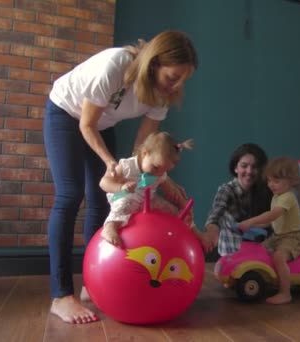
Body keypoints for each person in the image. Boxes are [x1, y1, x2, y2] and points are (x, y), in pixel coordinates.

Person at [43, 31, 198, 324]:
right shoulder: (116, 65)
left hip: (102, 125)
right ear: (154, 63)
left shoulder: (162, 96)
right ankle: (61, 295)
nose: (175, 85)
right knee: (70, 194)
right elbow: (86, 124)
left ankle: (95, 280)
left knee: (103, 201)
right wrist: (110, 163)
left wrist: (162, 179)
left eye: (182, 80)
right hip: (66, 113)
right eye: (171, 77)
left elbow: (144, 153)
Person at [100, 131, 194, 247]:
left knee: (173, 211)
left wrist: (184, 206)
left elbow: (173, 192)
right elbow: (103, 183)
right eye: (155, 167)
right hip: (125, 197)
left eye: (164, 171)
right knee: (124, 204)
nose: (158, 174)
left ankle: (188, 233)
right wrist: (121, 187)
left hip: (149, 201)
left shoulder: (160, 173)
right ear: (145, 153)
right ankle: (110, 227)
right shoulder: (127, 166)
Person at [237, 157, 300, 305]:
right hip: (278, 236)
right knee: (259, 251)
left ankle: (285, 293)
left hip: (293, 238)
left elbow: (273, 214)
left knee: (278, 257)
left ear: (290, 181)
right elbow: (271, 221)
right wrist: (254, 226)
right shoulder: (276, 197)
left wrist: (251, 221)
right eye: (269, 181)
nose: (271, 185)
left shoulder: (287, 197)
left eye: (276, 181)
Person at [201, 143, 272, 256]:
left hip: (257, 257)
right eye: (244, 166)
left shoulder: (266, 191)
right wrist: (211, 232)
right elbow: (214, 216)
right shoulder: (226, 190)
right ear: (236, 168)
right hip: (232, 257)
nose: (249, 171)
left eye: (254, 167)